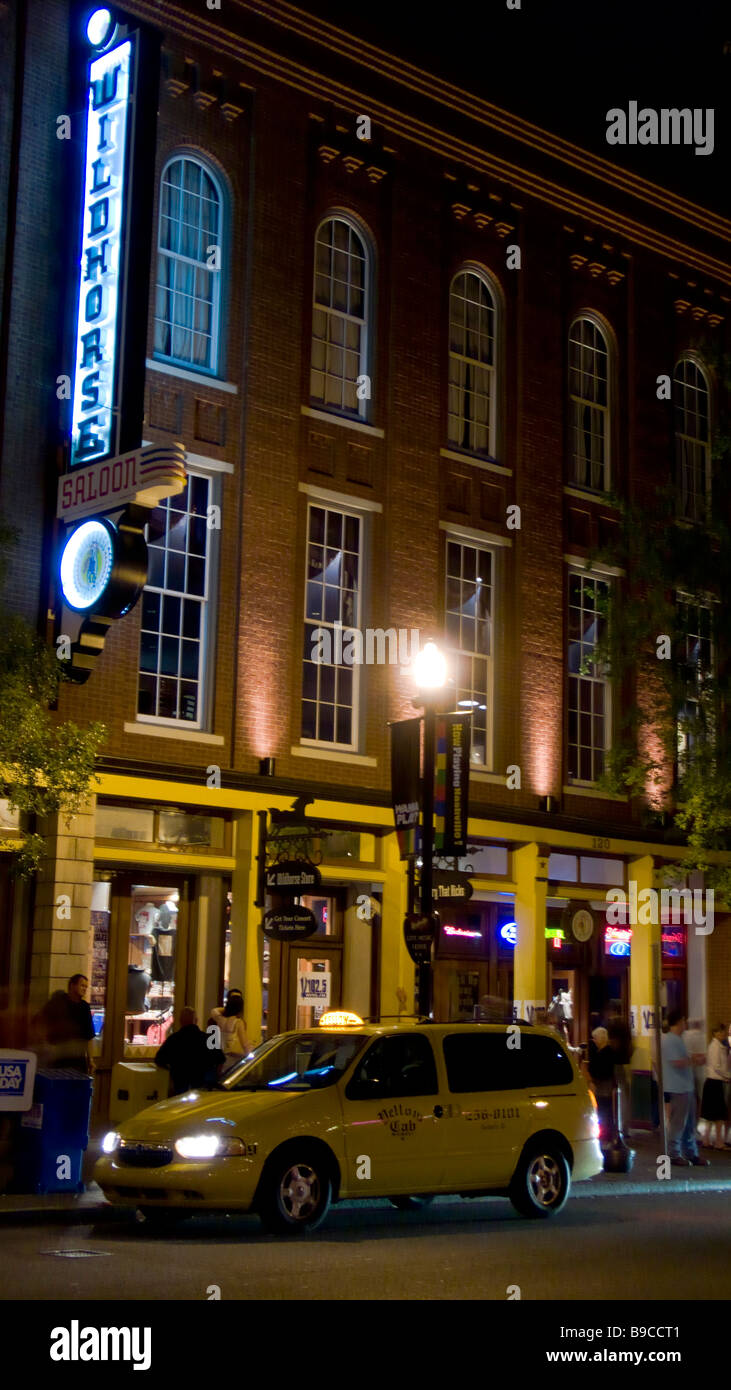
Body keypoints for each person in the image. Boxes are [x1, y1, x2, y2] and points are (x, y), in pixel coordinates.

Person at [661, 1010, 710, 1167]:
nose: (685, 1024)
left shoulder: (677, 1039)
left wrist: (693, 1059)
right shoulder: (670, 1040)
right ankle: (673, 1154)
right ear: (678, 1022)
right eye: (683, 1021)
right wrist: (694, 1060)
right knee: (678, 1122)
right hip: (678, 1087)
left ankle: (690, 1153)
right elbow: (677, 1062)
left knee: (688, 1123)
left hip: (684, 1086)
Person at [154, 1007, 223, 1096]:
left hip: (180, 1085)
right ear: (196, 1020)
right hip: (202, 1088)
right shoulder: (208, 1040)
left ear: (180, 1021)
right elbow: (220, 1060)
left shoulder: (173, 1040)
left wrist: (172, 1070)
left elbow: (159, 1060)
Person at [37, 974, 95, 1073]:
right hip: (58, 1057)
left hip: (78, 1059)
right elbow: (41, 1023)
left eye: (86, 986)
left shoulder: (84, 1007)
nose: (84, 989)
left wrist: (91, 1060)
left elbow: (88, 1036)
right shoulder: (58, 1003)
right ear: (72, 985)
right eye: (82, 985)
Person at [700, 1023, 730, 1150]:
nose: (723, 1034)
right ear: (715, 1033)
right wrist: (727, 1076)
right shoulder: (716, 1047)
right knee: (718, 1115)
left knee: (711, 1115)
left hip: (712, 1082)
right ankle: (719, 1142)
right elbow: (717, 1067)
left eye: (723, 1032)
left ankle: (706, 1140)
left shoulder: (717, 1046)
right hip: (715, 1082)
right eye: (720, 1032)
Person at [587, 1026, 615, 1144]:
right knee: (603, 1110)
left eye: (595, 1038)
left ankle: (605, 1134)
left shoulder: (606, 1053)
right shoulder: (602, 1052)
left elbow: (599, 1070)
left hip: (603, 1087)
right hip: (602, 1086)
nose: (594, 1041)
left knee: (604, 1111)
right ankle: (605, 1133)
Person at [209, 989, 249, 1065]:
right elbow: (245, 1045)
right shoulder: (238, 1022)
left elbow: (214, 1011)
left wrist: (227, 1008)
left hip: (220, 1058)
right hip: (233, 1060)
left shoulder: (220, 1019)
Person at [682, 1017, 707, 1141]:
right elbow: (703, 1058)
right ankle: (694, 1127)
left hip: (685, 1074)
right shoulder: (701, 1036)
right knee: (697, 1100)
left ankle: (687, 1126)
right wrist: (697, 1059)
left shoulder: (684, 1035)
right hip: (696, 1074)